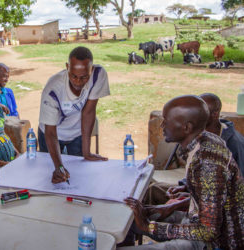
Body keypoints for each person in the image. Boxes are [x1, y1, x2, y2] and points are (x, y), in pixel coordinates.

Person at [122, 95, 244, 249]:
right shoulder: (206, 141)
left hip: (213, 243)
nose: (162, 125)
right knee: (127, 220)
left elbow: (208, 231)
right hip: (195, 221)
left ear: (186, 127)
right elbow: (213, 199)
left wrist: (149, 227)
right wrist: (170, 206)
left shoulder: (207, 163)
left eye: (167, 121)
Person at [38, 46, 110, 184]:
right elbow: (51, 132)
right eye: (73, 76)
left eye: (84, 77)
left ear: (91, 69)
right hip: (51, 134)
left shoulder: (98, 75)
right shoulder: (53, 89)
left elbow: (88, 112)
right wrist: (59, 166)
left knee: (79, 177)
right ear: (67, 67)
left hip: (77, 132)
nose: (78, 82)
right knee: (51, 176)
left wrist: (86, 152)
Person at [200, 93, 244, 176]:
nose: (194, 115)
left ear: (215, 114)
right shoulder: (201, 135)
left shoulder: (233, 143)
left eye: (200, 112)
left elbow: (239, 179)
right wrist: (185, 184)